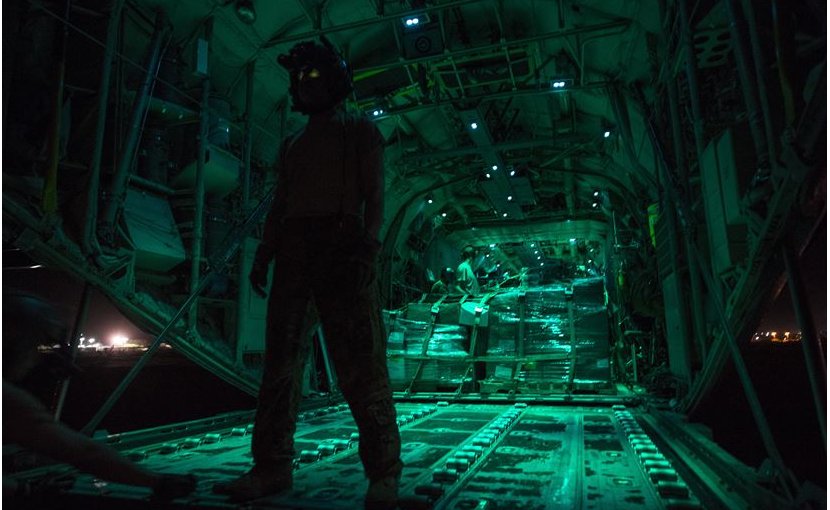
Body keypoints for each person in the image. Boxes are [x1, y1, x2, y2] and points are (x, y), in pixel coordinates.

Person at [214, 38, 402, 510]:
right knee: (280, 367)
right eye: (298, 79)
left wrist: (369, 249)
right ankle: (271, 466)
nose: (303, 85)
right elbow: (281, 203)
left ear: (334, 80)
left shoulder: (360, 130)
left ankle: (384, 474)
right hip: (295, 254)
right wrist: (265, 253)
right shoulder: (292, 144)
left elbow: (374, 195)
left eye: (312, 76)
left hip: (342, 249)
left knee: (361, 365)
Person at [2, 290, 196, 504]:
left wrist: (20, 488)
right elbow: (83, 453)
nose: (35, 357)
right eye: (35, 346)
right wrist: (156, 481)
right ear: (15, 343)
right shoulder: (9, 402)